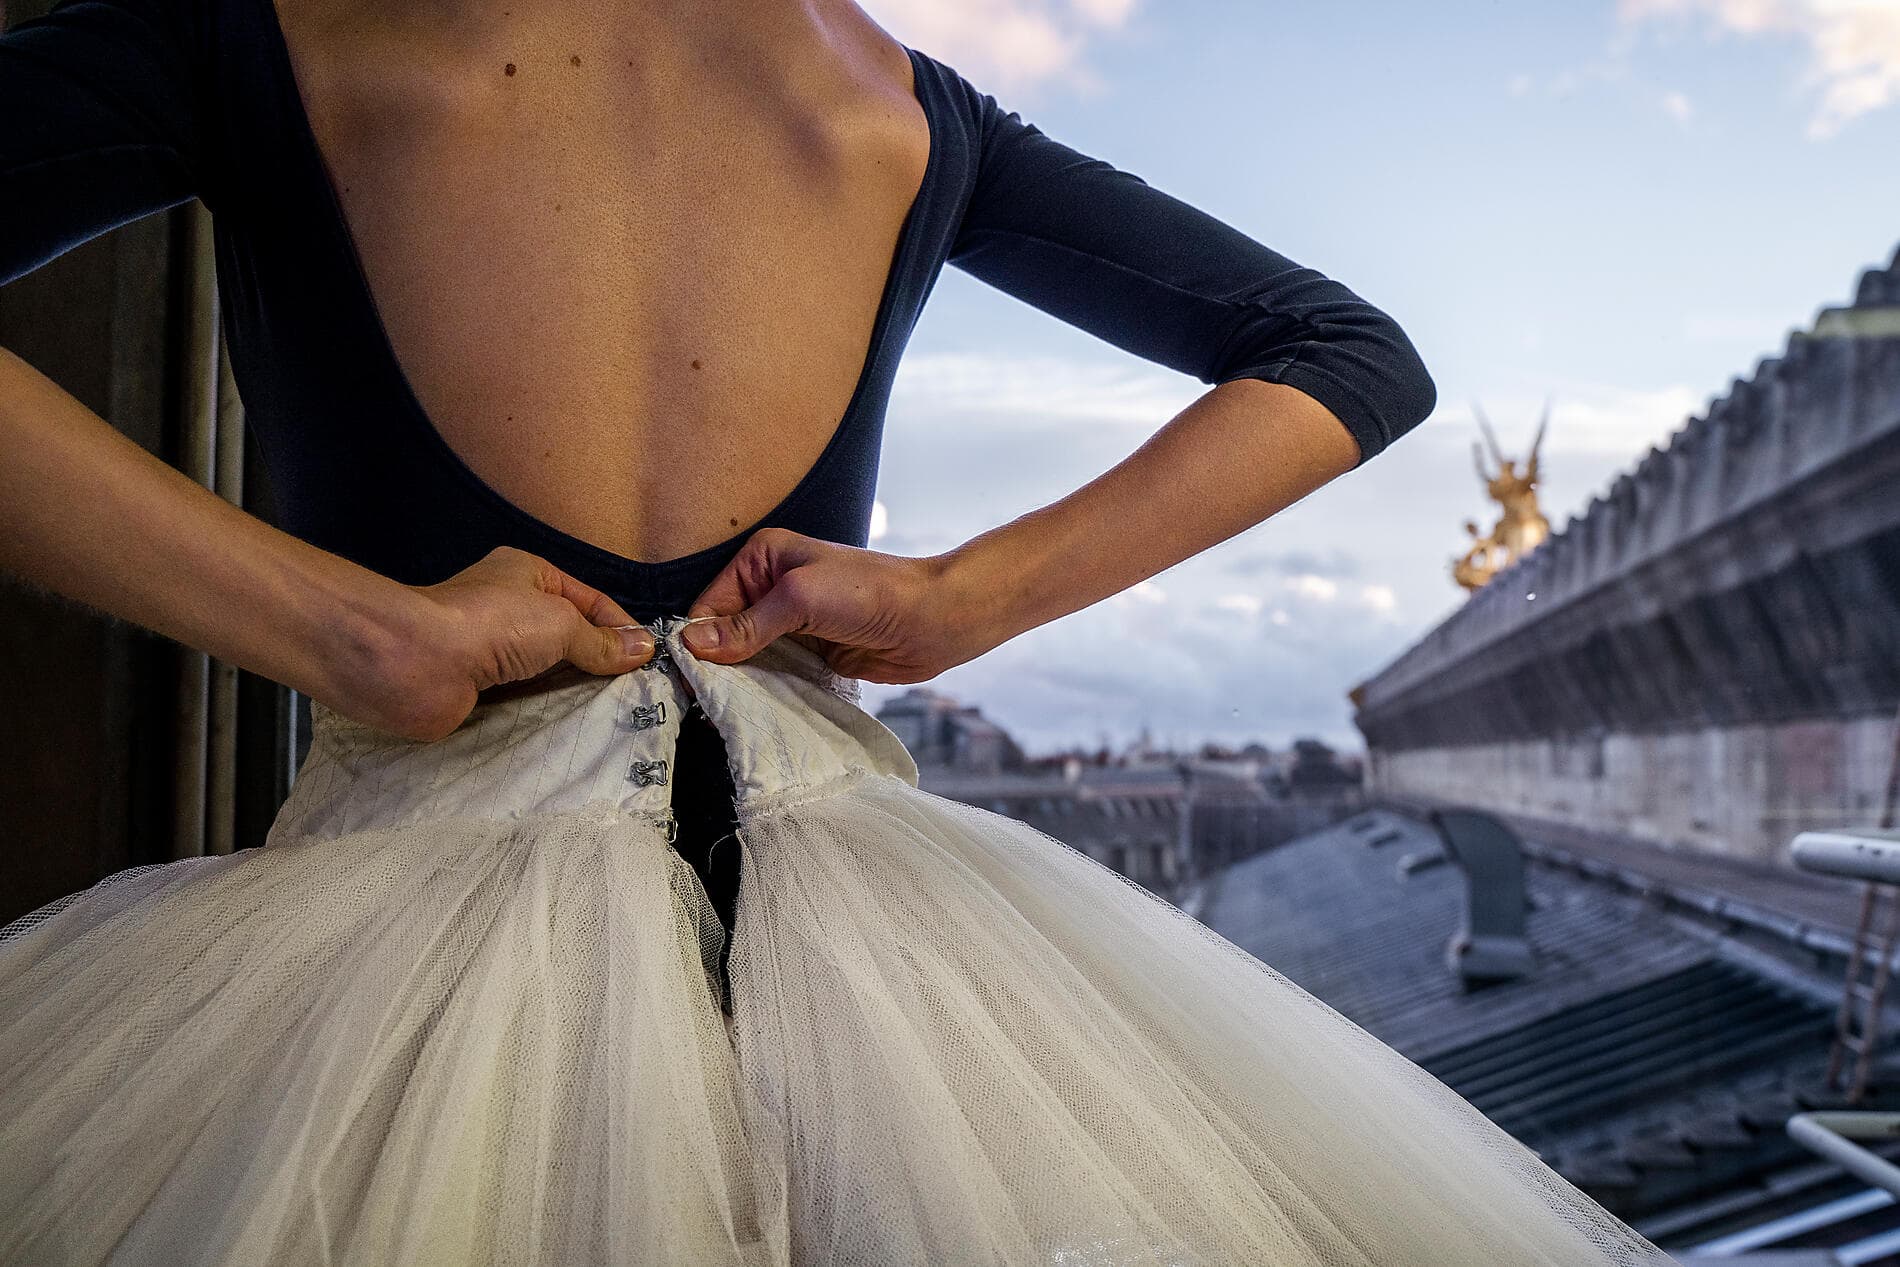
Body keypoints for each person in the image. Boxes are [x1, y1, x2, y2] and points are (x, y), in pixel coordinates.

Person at [0, 0, 1681, 1261]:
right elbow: (1347, 354)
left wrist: (354, 635)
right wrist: (966, 601)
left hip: (399, 949)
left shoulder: (280, 32)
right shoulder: (889, 100)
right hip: (879, 951)